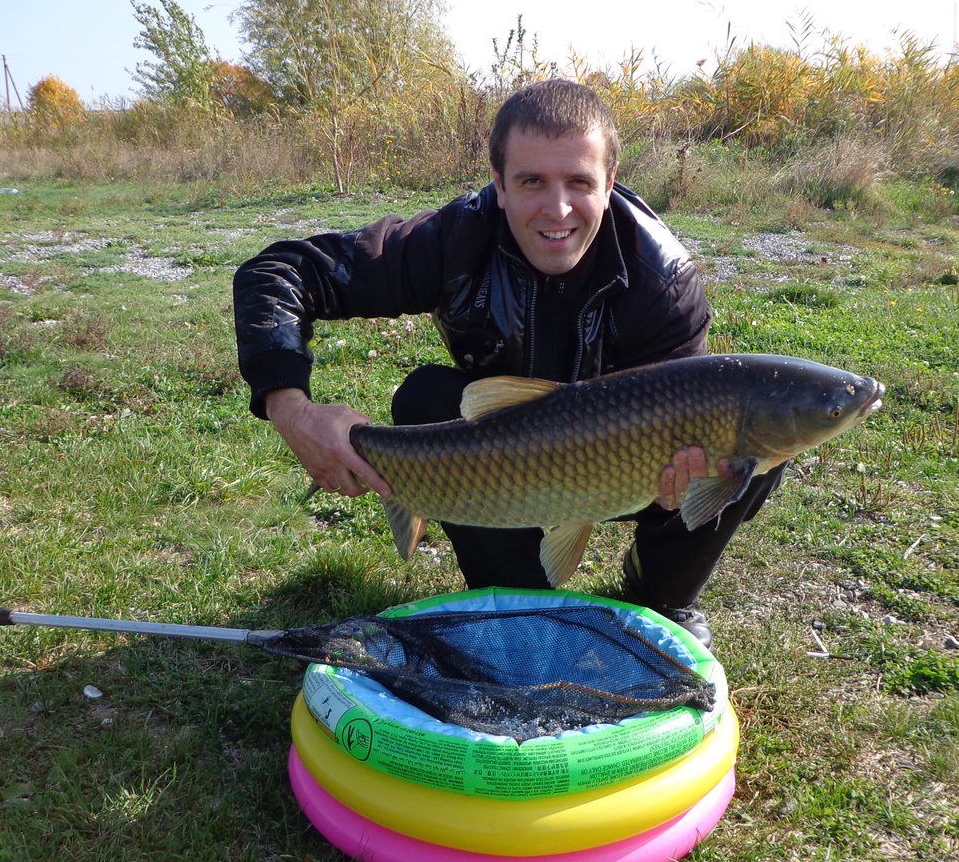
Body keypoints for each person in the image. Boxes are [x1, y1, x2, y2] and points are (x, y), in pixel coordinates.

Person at [233, 79, 785, 647]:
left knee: (747, 440)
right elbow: (279, 273)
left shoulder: (663, 279)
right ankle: (518, 601)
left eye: (579, 182)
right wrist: (290, 408)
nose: (558, 208)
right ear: (498, 185)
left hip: (629, 463)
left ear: (609, 183)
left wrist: (686, 471)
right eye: (531, 182)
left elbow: (689, 416)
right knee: (426, 399)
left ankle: (662, 598)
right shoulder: (454, 240)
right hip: (505, 458)